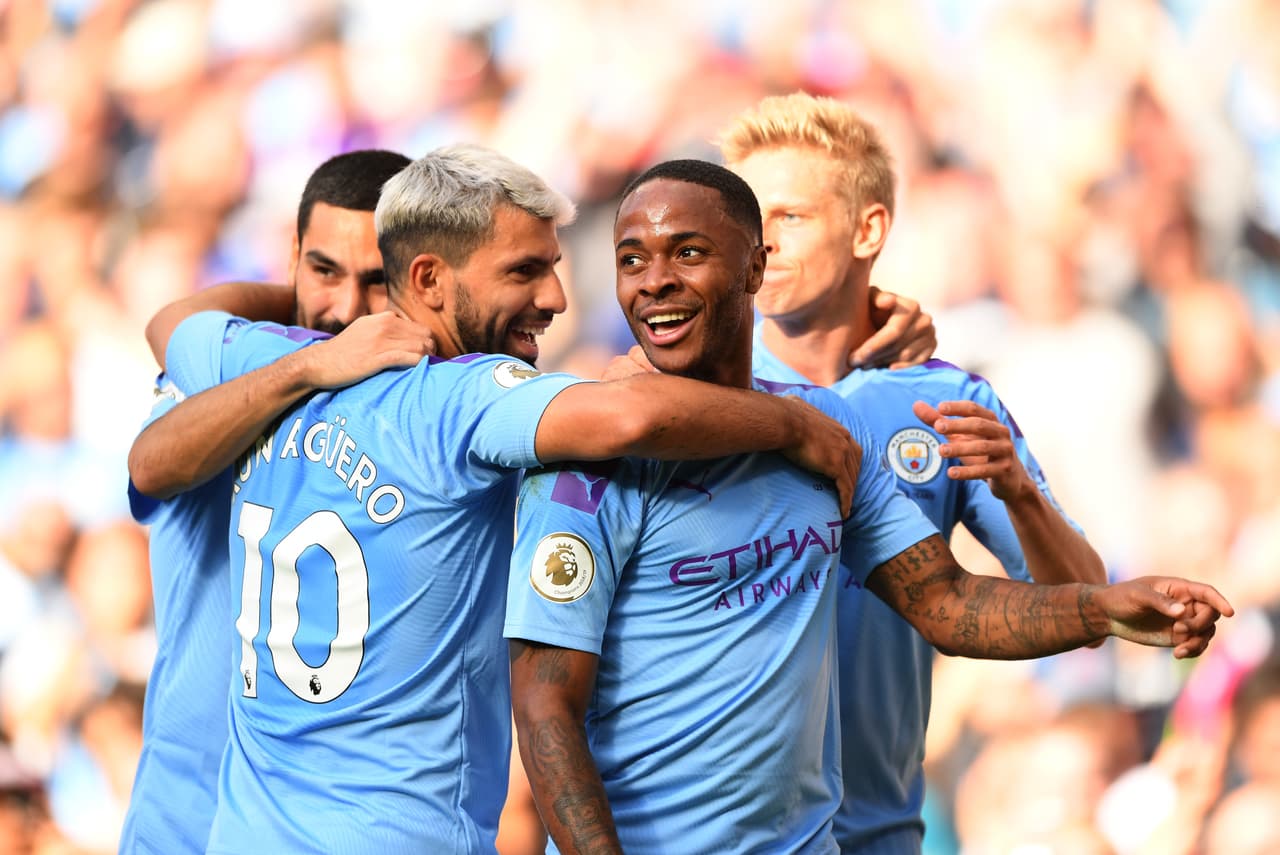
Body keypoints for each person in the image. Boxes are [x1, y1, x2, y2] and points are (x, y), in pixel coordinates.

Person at [140, 143, 869, 855]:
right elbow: (629, 419)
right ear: (429, 278)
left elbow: (171, 327)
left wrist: (323, 347)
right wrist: (794, 422)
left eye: (552, 266)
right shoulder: (459, 399)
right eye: (525, 271)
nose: (555, 298)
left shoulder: (272, 361)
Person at [503, 160, 1231, 854]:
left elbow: (947, 603)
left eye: (688, 252)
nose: (655, 280)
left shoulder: (825, 433)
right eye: (632, 260)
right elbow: (543, 709)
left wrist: (1103, 608)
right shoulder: (586, 461)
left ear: (756, 268)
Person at [716, 92, 1109, 853]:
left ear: (868, 230)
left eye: (790, 216)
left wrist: (1019, 492)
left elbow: (1082, 608)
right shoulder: (696, 394)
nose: (763, 242)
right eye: (750, 220)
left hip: (878, 833)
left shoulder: (946, 400)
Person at [119, 149, 432, 855]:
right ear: (292, 258)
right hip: (185, 823)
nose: (345, 309)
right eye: (324, 270)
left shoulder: (430, 407)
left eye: (376, 282)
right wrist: (310, 363)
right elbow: (152, 463)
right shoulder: (231, 368)